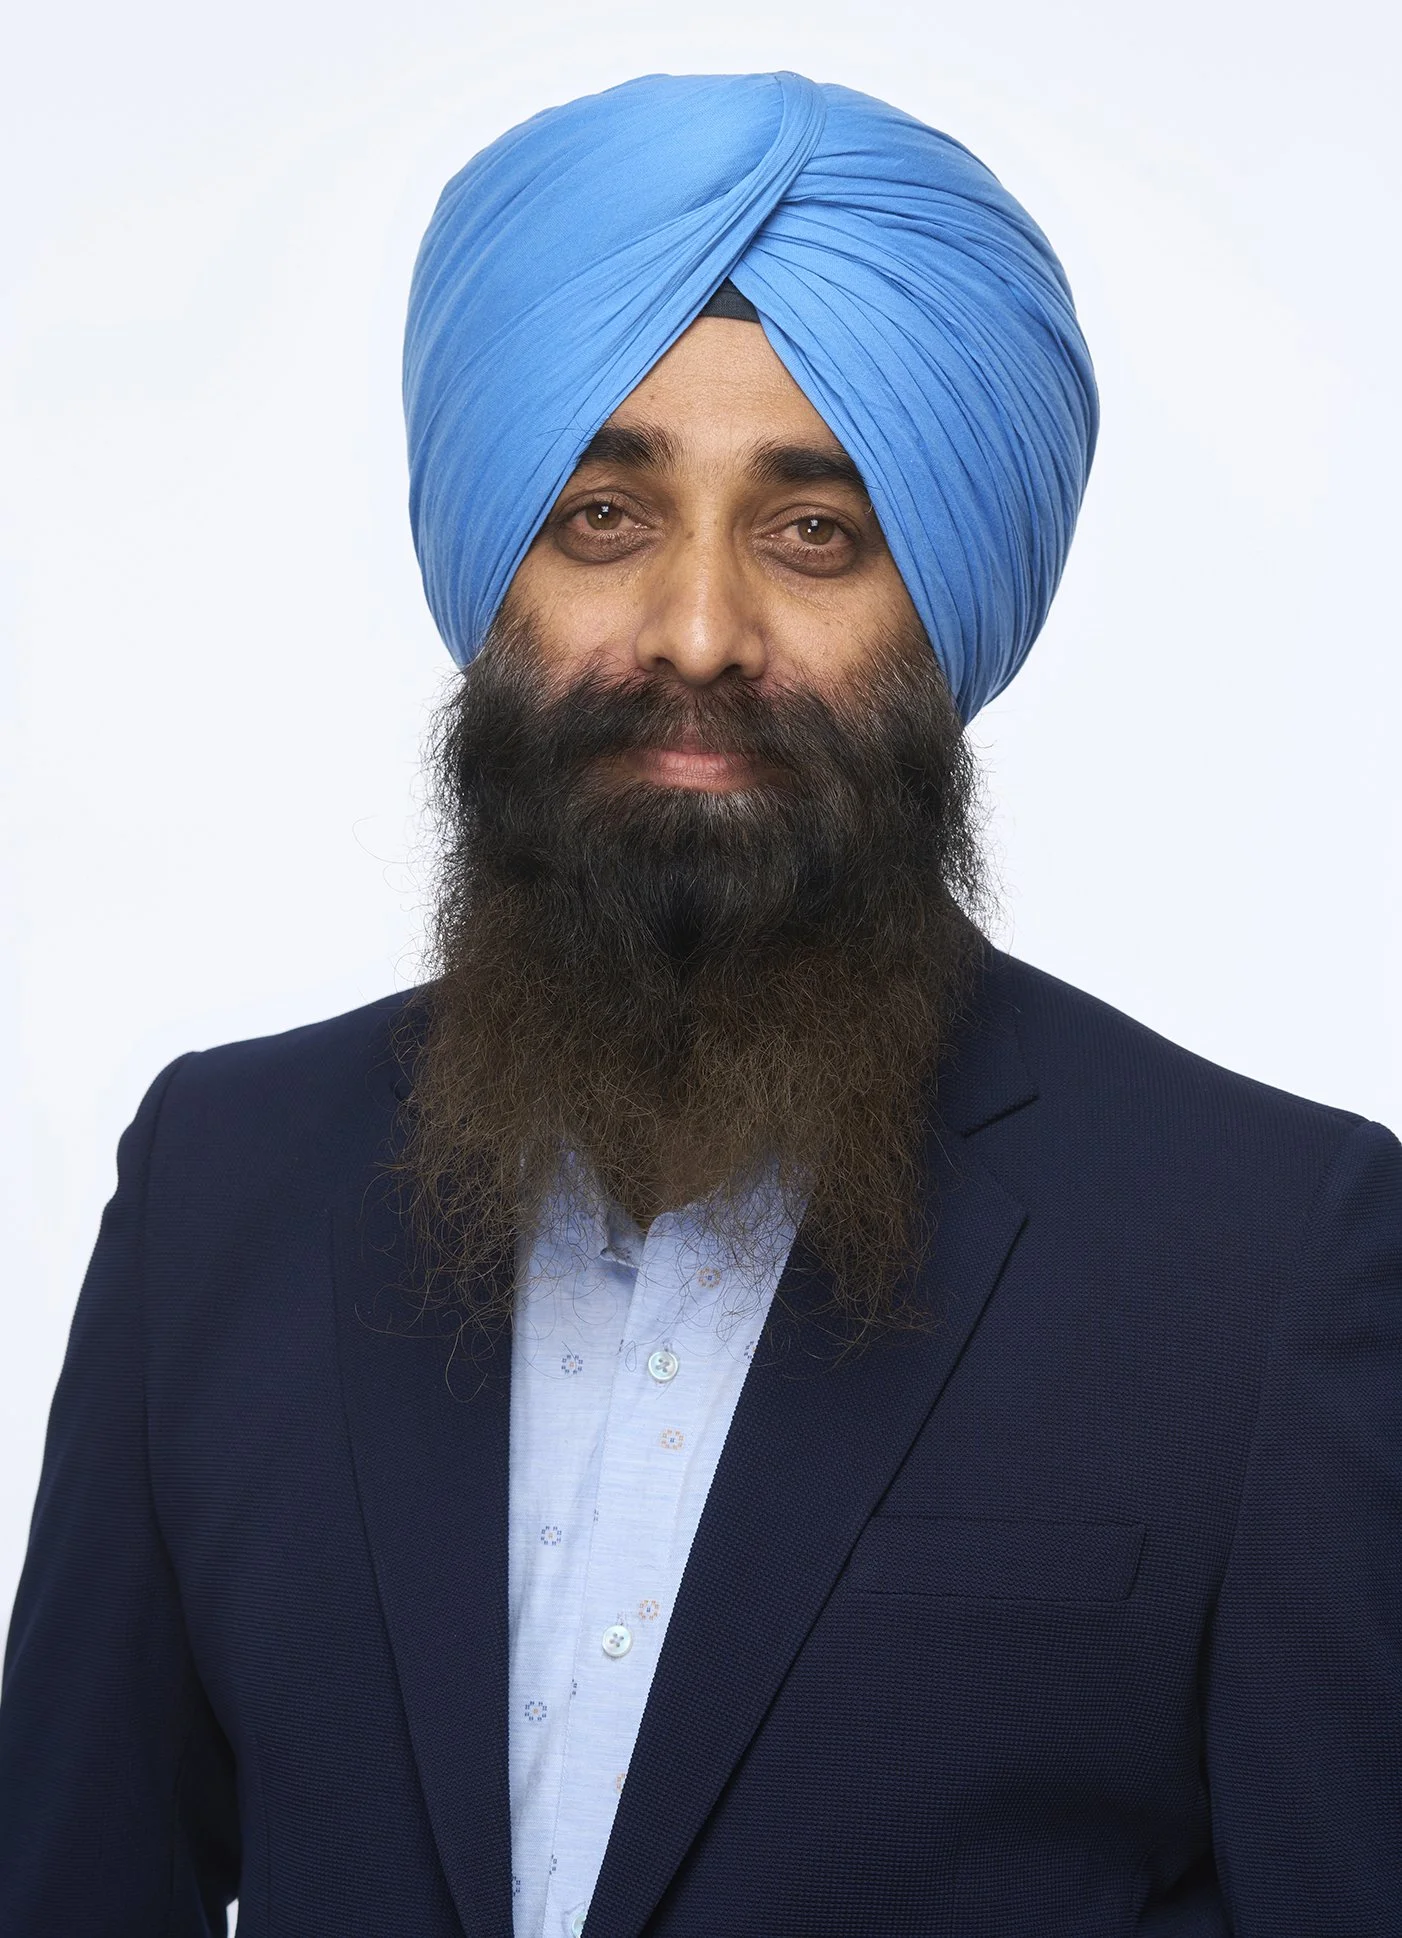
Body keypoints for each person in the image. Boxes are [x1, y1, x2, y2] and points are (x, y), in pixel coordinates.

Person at [1, 69, 1398, 1938]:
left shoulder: (1263, 1256)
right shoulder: (220, 1188)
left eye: (811, 530)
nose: (694, 629)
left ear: (940, 613)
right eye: (602, 513)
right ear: (493, 575)